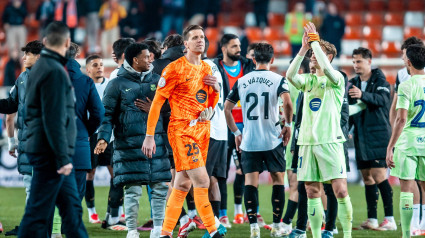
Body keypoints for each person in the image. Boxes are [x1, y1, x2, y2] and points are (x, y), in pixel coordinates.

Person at [142, 24, 222, 238]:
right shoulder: (174, 68)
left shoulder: (206, 68)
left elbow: (210, 102)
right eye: (195, 37)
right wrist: (149, 135)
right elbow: (157, 103)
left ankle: (165, 232)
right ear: (185, 44)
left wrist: (216, 90)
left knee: (182, 183)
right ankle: (214, 230)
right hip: (182, 131)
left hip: (202, 130)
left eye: (203, 37)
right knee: (202, 181)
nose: (200, 40)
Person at [18, 21, 88, 238]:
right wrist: (62, 157)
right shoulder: (55, 71)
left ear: (46, 42)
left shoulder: (38, 68)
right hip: (51, 154)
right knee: (37, 214)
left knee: (72, 211)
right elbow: (54, 119)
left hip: (46, 150)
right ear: (67, 42)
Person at [95, 42, 171, 238]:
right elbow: (107, 115)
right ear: (135, 60)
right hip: (129, 146)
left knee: (160, 188)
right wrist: (103, 138)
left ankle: (157, 230)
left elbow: (171, 110)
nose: (150, 60)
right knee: (133, 190)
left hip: (157, 144)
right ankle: (131, 230)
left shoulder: (158, 80)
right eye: (146, 57)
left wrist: (155, 109)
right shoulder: (116, 84)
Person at [286, 22, 352, 238]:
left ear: (329, 57)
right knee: (311, 191)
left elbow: (329, 71)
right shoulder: (309, 81)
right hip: (306, 143)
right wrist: (304, 48)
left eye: (318, 52)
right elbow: (290, 76)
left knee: (340, 190)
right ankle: (316, 234)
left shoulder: (337, 80)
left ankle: (346, 234)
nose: (314, 55)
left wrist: (315, 41)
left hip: (330, 141)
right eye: (313, 52)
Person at [224, 42, 293, 238]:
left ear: (253, 59)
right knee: (278, 180)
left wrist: (237, 132)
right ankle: (277, 225)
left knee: (250, 182)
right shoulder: (278, 79)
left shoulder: (242, 80)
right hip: (273, 139)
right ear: (272, 60)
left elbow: (226, 109)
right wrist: (287, 124)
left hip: (250, 141)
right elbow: (287, 102)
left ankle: (253, 226)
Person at [348, 47, 395, 230]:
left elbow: (382, 100)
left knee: (379, 175)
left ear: (369, 61)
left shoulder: (380, 80)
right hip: (361, 135)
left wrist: (362, 95)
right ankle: (372, 219)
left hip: (378, 134)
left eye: (359, 61)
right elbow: (351, 110)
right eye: (353, 61)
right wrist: (349, 128)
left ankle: (390, 219)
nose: (355, 65)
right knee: (367, 177)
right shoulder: (353, 83)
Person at [0, 40, 43, 236]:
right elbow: (11, 104)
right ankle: (31, 227)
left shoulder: (50, 78)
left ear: (39, 56)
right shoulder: (23, 78)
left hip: (43, 143)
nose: (23, 58)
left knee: (42, 190)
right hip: (26, 141)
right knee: (30, 187)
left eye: (27, 54)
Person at [213, 33, 256, 227]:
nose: (239, 49)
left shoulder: (247, 66)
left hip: (244, 127)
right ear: (223, 49)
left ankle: (240, 212)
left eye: (239, 46)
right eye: (234, 46)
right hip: (222, 127)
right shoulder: (215, 67)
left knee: (243, 170)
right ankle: (222, 214)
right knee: (220, 172)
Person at [386, 44, 425, 238]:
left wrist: (391, 146)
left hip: (408, 143)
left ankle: (408, 234)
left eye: (403, 57)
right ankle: (423, 225)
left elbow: (400, 119)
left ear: (409, 62)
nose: (402, 59)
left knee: (407, 187)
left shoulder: (406, 85)